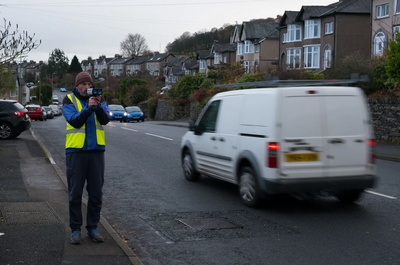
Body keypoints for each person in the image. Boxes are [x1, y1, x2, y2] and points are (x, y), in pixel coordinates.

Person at [62, 72, 110, 245]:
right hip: (76, 152)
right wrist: (88, 108)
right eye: (84, 84)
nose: (87, 87)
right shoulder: (69, 100)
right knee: (75, 193)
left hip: (96, 152)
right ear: (77, 86)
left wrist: (97, 105)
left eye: (90, 84)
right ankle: (75, 230)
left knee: (96, 193)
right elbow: (74, 121)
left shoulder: (99, 99)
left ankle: (93, 228)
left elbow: (105, 120)